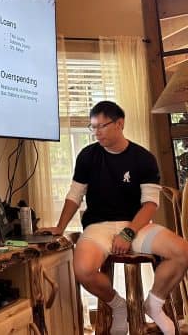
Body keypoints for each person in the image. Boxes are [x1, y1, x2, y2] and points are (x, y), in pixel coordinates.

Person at [41, 101, 188, 335]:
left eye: (102, 126)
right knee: (83, 270)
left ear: (120, 124)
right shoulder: (88, 156)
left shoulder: (143, 158)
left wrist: (128, 233)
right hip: (99, 226)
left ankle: (154, 304)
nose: (96, 132)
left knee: (182, 251)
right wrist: (60, 227)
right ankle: (118, 305)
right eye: (93, 127)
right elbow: (75, 195)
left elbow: (150, 204)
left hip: (137, 224)